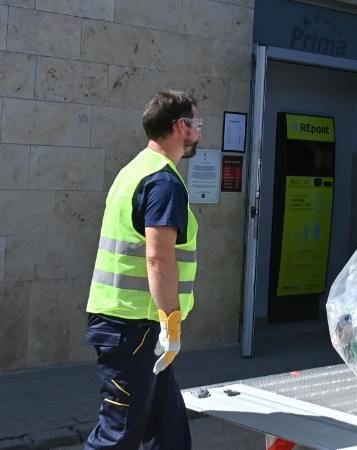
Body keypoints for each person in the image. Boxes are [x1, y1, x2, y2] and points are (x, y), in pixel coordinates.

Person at [84, 90, 202, 449]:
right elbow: (158, 257)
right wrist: (171, 321)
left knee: (169, 432)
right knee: (118, 434)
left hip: (133, 326)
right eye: (197, 124)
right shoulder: (163, 181)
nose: (199, 132)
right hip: (136, 328)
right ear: (180, 126)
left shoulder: (134, 169)